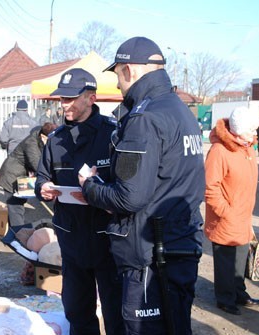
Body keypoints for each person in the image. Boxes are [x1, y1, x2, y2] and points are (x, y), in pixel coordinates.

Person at [79, 37, 205, 334]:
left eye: (117, 75)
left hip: (150, 257)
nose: (118, 85)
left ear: (129, 70)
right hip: (179, 245)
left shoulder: (144, 118)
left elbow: (129, 197)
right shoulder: (181, 111)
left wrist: (90, 186)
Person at [35, 68, 124, 335]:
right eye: (61, 99)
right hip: (70, 238)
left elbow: (128, 188)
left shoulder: (113, 135)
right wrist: (44, 188)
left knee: (115, 311)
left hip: (107, 240)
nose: (64, 105)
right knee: (76, 309)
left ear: (91, 97)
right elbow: (41, 177)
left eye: (71, 98)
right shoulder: (56, 139)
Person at [204, 106, 259, 316]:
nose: (255, 134)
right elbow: (211, 187)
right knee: (225, 263)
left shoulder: (247, 148)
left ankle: (239, 293)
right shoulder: (220, 150)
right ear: (238, 131)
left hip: (243, 217)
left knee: (239, 261)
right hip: (226, 219)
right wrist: (226, 212)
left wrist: (244, 215)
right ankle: (225, 298)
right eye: (251, 130)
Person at [0, 122, 57, 229]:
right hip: (11, 176)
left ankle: (12, 234)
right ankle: (18, 236)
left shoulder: (39, 138)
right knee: (16, 207)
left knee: (17, 206)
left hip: (20, 176)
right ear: (43, 136)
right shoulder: (31, 143)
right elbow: (38, 165)